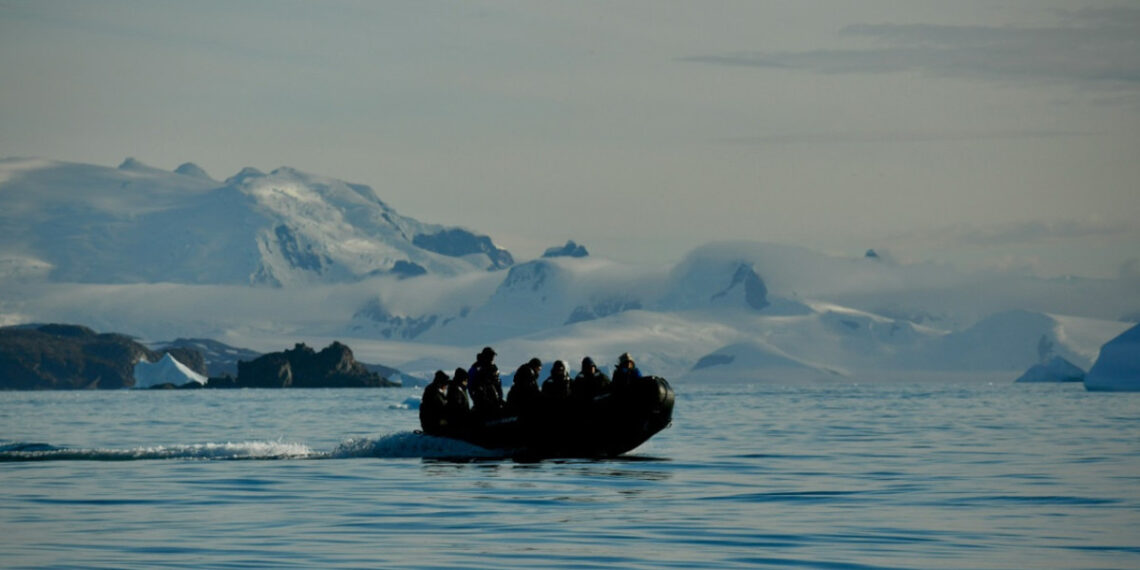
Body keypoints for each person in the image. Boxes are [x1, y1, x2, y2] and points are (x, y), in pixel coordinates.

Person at [467, 346, 503, 416]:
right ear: (486, 356)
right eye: (491, 355)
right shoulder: (477, 368)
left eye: (493, 355)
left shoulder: (493, 367)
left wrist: (499, 398)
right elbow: (471, 386)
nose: (492, 358)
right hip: (482, 403)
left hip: (496, 401)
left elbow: (497, 383)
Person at [419, 370, 450, 436]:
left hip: (431, 422)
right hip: (432, 424)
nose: (446, 386)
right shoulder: (433, 391)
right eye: (445, 384)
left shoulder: (435, 389)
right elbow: (436, 408)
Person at [445, 367, 471, 434]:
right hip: (457, 423)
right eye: (466, 379)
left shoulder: (459, 389)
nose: (467, 382)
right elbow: (456, 408)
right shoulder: (455, 389)